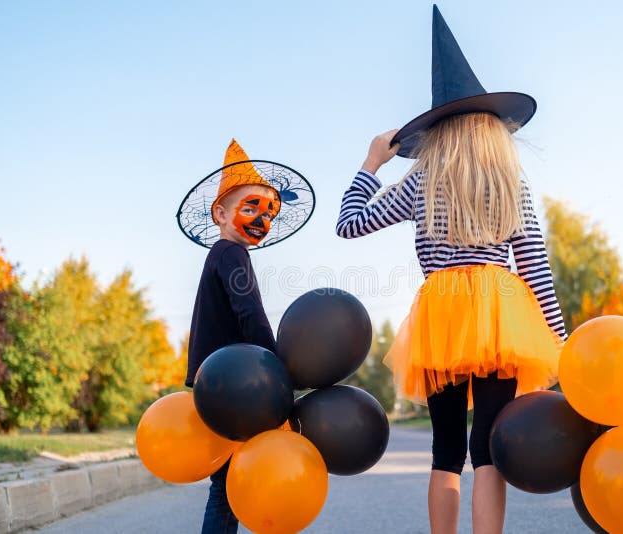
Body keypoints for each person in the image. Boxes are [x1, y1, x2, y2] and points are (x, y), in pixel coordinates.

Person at [335, 7, 566, 534]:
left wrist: (370, 163)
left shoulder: (421, 183)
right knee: (487, 443)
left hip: (441, 314)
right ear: (492, 129)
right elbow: (534, 265)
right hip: (503, 313)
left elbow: (349, 225)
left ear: (438, 133)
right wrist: (558, 334)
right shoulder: (512, 183)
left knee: (446, 448)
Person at [179, 138, 314, 533]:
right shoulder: (231, 254)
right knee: (227, 484)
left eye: (269, 212)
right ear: (220, 213)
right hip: (233, 385)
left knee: (225, 481)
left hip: (220, 381)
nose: (261, 219)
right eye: (250, 207)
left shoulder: (223, 255)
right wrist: (275, 368)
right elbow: (250, 313)